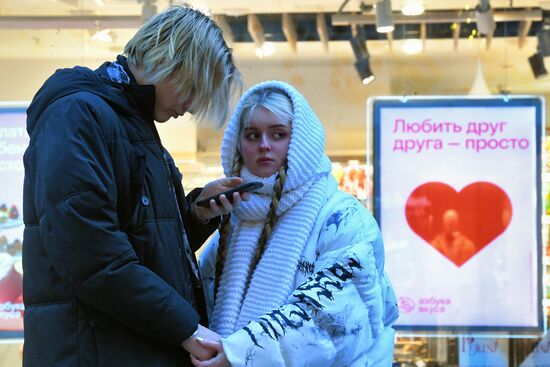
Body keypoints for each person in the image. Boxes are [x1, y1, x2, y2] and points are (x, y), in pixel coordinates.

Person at [22, 4, 242, 366]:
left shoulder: (132, 126)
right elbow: (91, 255)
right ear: (175, 60)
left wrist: (195, 214)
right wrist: (187, 329)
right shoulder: (79, 115)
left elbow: (136, 244)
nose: (190, 108)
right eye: (194, 88)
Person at [195, 81, 399, 367]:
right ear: (238, 144)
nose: (264, 145)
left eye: (278, 134)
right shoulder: (232, 225)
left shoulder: (343, 218)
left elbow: (330, 318)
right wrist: (195, 217)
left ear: (301, 140)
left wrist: (240, 353)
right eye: (252, 135)